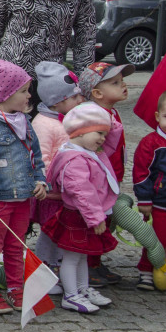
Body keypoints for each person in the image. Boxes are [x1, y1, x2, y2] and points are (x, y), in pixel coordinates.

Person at [0, 60, 47, 315]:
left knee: (17, 246)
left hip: (23, 198)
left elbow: (35, 156)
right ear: (6, 93)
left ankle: (16, 288)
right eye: (24, 91)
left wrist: (40, 180)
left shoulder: (25, 122)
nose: (29, 96)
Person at [38, 103, 118, 314]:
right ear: (81, 131)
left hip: (85, 215)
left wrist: (111, 124)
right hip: (79, 216)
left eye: (104, 133)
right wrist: (95, 218)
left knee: (82, 255)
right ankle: (71, 295)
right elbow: (83, 192)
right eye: (99, 133)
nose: (102, 139)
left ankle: (81, 289)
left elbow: (109, 144)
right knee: (72, 258)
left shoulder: (86, 151)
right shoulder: (75, 160)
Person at [29, 60, 85, 288]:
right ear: (57, 101)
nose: (80, 100)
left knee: (60, 235)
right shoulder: (45, 124)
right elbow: (41, 160)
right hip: (51, 194)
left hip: (66, 192)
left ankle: (58, 273)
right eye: (74, 97)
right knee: (50, 234)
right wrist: (53, 184)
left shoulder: (67, 120)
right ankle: (42, 275)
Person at [79, 62, 133, 287]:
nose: (123, 85)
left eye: (121, 81)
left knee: (107, 221)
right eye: (115, 82)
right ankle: (87, 265)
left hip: (113, 176)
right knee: (95, 221)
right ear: (97, 93)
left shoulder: (112, 111)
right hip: (98, 180)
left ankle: (95, 262)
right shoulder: (95, 116)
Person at [133, 89, 166, 292]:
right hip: (160, 202)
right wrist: (144, 200)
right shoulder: (151, 143)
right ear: (157, 116)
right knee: (155, 239)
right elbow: (141, 173)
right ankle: (146, 270)